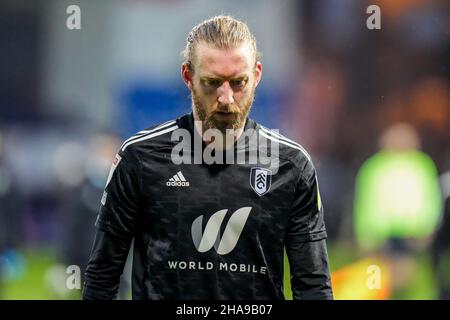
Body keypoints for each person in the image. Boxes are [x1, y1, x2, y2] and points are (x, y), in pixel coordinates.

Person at [83, 15, 333, 300]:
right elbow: (102, 277)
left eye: (238, 82)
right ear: (188, 77)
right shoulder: (139, 158)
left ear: (257, 75)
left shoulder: (291, 165)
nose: (226, 98)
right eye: (212, 82)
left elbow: (313, 286)